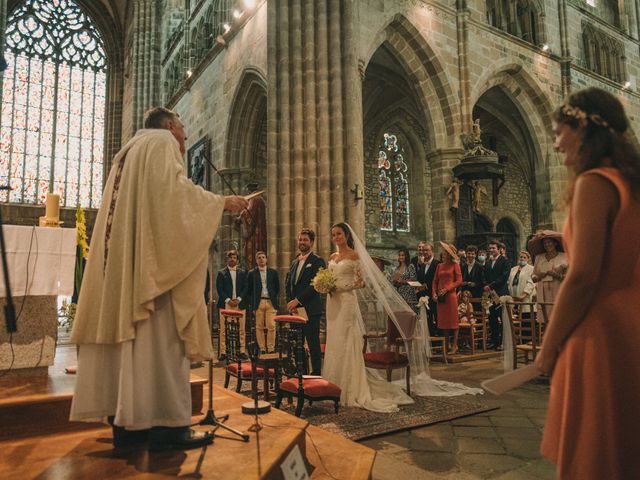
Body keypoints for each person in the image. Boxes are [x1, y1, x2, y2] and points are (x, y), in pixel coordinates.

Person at [69, 107, 248, 450]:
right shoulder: (161, 142)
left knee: (131, 349)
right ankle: (168, 427)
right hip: (153, 274)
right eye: (183, 128)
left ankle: (131, 426)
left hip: (126, 269)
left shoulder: (129, 152)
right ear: (169, 126)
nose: (184, 138)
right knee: (162, 344)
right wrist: (221, 203)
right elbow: (173, 197)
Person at [535, 88, 640, 479]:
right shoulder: (631, 182)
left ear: (582, 128)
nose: (556, 143)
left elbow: (582, 276)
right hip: (632, 322)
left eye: (559, 132)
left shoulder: (594, 183)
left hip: (599, 331)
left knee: (593, 455)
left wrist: (549, 347)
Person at [323, 223, 483, 402]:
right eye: (333, 234)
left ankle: (349, 385)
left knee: (346, 338)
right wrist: (326, 285)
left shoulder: (354, 255)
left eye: (339, 234)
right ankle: (333, 381)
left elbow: (361, 282)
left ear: (346, 235)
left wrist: (341, 287)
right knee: (335, 339)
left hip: (346, 301)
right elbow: (329, 277)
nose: (336, 237)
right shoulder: (332, 256)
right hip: (333, 302)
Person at [286, 228, 325, 375]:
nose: (302, 242)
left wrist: (297, 300)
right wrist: (290, 303)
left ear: (312, 242)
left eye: (305, 240)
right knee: (297, 343)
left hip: (310, 309)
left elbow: (316, 285)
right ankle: (301, 372)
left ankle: (315, 373)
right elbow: (288, 283)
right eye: (300, 239)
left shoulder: (317, 261)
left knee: (313, 343)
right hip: (295, 310)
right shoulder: (295, 261)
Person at [243, 251, 279, 353]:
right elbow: (248, 290)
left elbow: (276, 288)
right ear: (256, 260)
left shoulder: (273, 272)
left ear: (266, 259)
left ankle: (271, 348)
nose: (261, 259)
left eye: (263, 257)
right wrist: (253, 303)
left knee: (271, 326)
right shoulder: (251, 273)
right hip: (258, 302)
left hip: (270, 302)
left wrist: (272, 296)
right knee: (259, 326)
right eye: (259, 258)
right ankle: (262, 348)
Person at [216, 250, 248, 360]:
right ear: (227, 259)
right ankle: (223, 352)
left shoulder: (243, 272)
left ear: (237, 259)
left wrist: (239, 299)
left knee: (242, 329)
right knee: (224, 329)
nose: (232, 259)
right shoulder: (221, 273)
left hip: (240, 303)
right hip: (226, 304)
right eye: (230, 257)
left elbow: (246, 287)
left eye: (234, 257)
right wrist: (228, 299)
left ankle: (242, 350)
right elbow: (219, 288)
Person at [432, 242, 463, 354]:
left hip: (450, 296)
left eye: (445, 252)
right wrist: (434, 293)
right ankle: (446, 344)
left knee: (453, 322)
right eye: (443, 253)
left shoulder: (455, 265)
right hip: (440, 296)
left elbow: (459, 281)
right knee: (443, 322)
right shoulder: (439, 266)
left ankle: (455, 345)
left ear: (449, 254)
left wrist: (447, 289)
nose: (443, 254)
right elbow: (434, 281)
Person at [531, 234, 567, 319]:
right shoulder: (539, 257)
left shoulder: (564, 256)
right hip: (543, 293)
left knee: (558, 318)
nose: (547, 245)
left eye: (549, 242)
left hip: (557, 291)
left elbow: (570, 277)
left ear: (555, 243)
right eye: (545, 243)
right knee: (545, 319)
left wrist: (557, 275)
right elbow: (533, 277)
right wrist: (540, 276)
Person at [483, 240, 511, 349]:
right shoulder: (488, 262)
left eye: (493, 248)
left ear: (499, 249)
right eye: (490, 248)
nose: (491, 250)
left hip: (501, 293)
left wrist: (492, 285)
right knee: (492, 318)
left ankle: (504, 342)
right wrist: (486, 285)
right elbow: (484, 275)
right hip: (490, 294)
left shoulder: (504, 260)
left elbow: (504, 276)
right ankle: (494, 341)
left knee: (502, 318)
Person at [411, 241, 440, 336]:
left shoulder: (437, 264)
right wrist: (416, 285)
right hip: (422, 296)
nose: (424, 252)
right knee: (427, 319)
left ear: (432, 251)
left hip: (433, 295)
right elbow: (420, 278)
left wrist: (426, 286)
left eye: (427, 250)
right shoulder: (422, 265)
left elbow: (437, 280)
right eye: (423, 250)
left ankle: (438, 341)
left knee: (436, 317)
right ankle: (430, 338)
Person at [237, 182, 266, 270]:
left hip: (254, 234)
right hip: (261, 231)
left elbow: (249, 214)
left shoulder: (254, 199)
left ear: (249, 190)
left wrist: (240, 216)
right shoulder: (261, 199)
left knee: (252, 256)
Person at [508, 250, 536, 318]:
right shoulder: (513, 269)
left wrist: (524, 294)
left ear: (528, 259)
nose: (522, 259)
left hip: (525, 297)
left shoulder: (531, 269)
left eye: (524, 257)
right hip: (514, 298)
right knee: (515, 321)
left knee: (526, 318)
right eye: (521, 257)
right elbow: (509, 281)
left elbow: (531, 282)